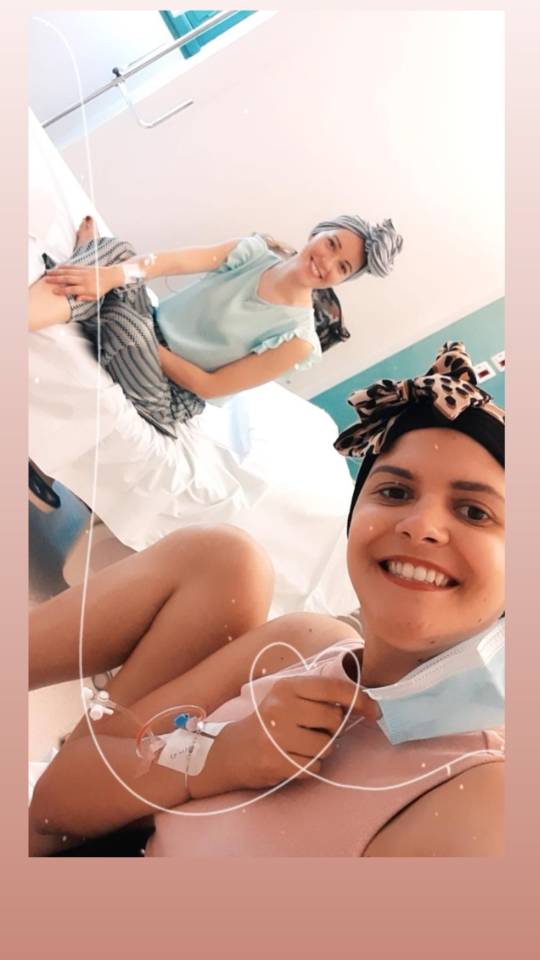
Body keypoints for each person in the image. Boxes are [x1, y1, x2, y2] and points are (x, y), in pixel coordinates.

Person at [29, 340, 504, 857]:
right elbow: (52, 804)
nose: (420, 525)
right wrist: (218, 757)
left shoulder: (478, 797)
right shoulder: (304, 648)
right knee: (226, 557)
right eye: (394, 492)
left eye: (474, 512)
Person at [28, 214, 403, 440]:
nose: (327, 262)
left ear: (344, 280)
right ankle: (87, 268)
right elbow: (172, 262)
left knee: (125, 321)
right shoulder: (255, 252)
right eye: (331, 244)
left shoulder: (298, 340)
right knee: (121, 256)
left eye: (342, 267)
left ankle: (86, 263)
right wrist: (111, 276)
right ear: (317, 233)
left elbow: (210, 386)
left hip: (168, 389)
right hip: (149, 326)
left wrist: (145, 336)